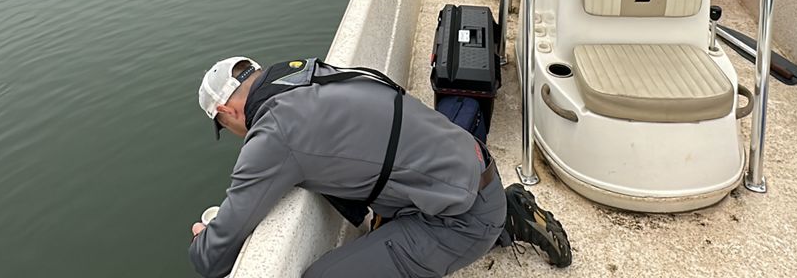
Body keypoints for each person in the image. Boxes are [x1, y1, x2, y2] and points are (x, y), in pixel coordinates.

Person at [189, 56, 572, 277]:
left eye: (226, 127)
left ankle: (500, 221)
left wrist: (200, 240)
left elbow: (213, 256)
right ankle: (506, 213)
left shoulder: (273, 133)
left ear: (227, 111)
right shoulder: (307, 75)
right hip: (470, 167)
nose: (237, 134)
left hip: (460, 218)